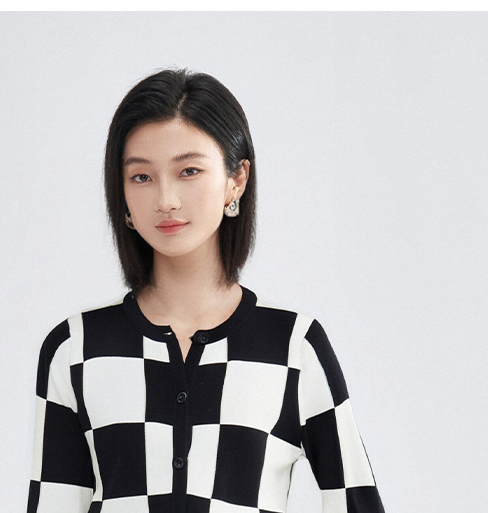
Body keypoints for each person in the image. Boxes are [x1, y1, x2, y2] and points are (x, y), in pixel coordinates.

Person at [27, 67, 385, 513]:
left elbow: (354, 500)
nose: (166, 200)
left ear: (236, 180)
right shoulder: (76, 348)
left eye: (189, 171)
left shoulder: (293, 347)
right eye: (141, 177)